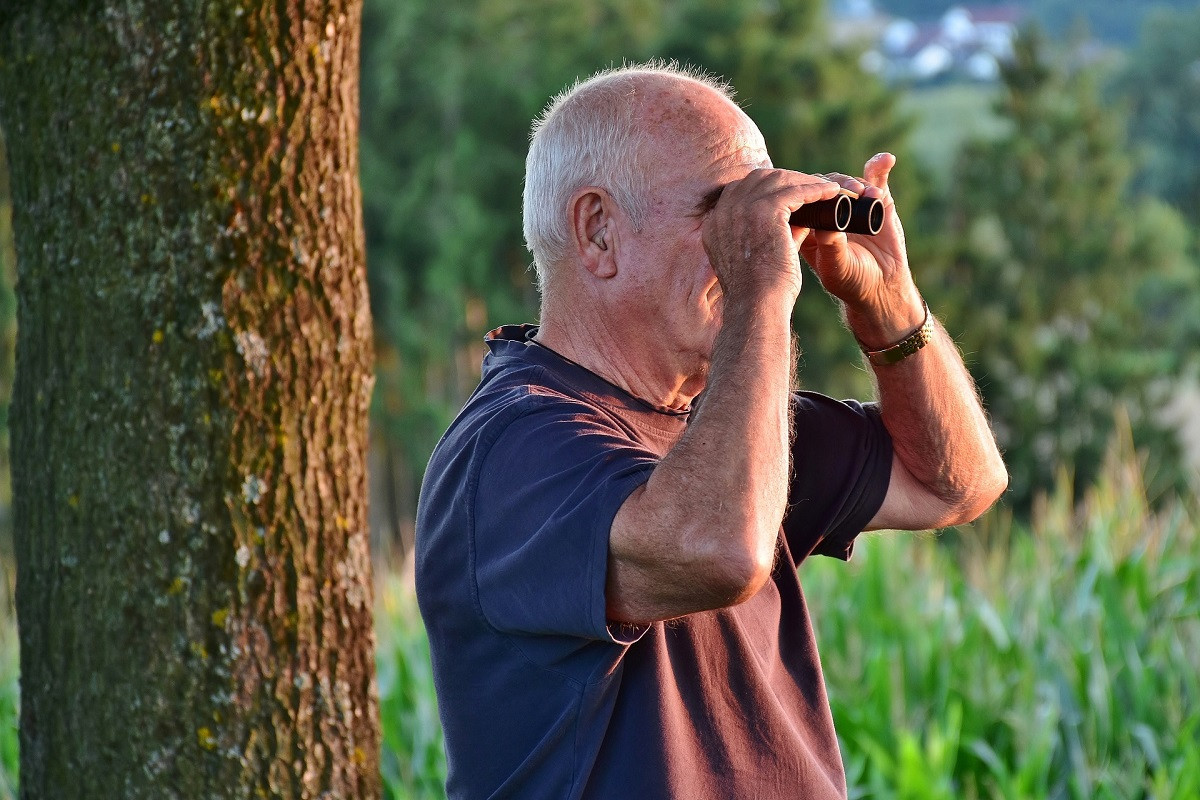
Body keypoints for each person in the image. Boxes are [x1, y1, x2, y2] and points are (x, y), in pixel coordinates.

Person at [415, 62, 1008, 799]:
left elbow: (956, 485)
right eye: (724, 213)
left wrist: (887, 304)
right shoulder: (510, 448)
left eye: (762, 217)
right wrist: (761, 287)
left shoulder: (725, 424)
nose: (762, 243)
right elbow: (719, 552)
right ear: (597, 231)